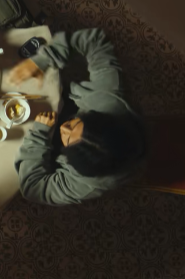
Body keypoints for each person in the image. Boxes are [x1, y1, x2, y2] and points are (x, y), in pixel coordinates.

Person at [9, 28, 146, 205]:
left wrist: (38, 136)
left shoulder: (88, 183)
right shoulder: (108, 98)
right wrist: (44, 59)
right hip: (107, 114)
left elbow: (34, 189)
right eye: (73, 125)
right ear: (96, 118)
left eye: (67, 140)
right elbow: (95, 40)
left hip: (63, 147)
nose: (62, 128)